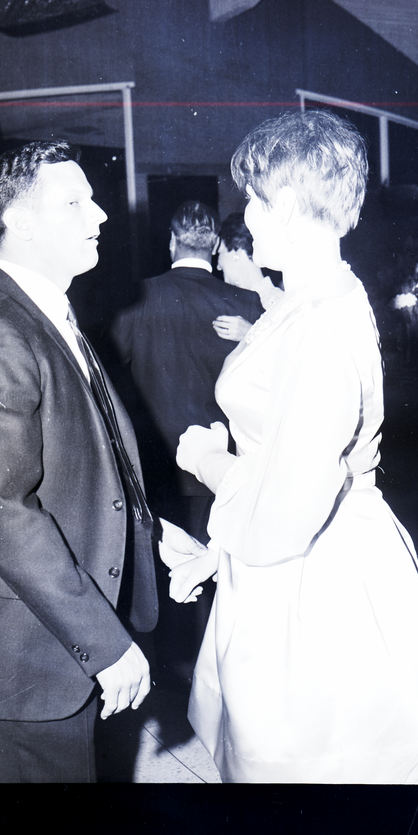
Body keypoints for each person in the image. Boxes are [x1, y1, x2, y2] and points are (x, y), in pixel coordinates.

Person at [0, 141, 208, 783]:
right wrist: (106, 643)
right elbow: (3, 514)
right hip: (15, 669)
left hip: (42, 651)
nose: (100, 215)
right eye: (75, 202)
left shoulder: (44, 317)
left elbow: (77, 471)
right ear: (21, 221)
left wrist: (150, 536)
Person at [169, 110, 418, 783]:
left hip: (312, 576)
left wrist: (204, 459)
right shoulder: (310, 300)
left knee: (300, 767)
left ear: (288, 205)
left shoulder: (317, 322)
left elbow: (290, 505)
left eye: (253, 200)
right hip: (303, 553)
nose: (246, 217)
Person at [109, 201, 263, 682]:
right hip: (226, 466)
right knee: (227, 570)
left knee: (163, 571)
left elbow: (109, 378)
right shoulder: (246, 304)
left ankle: (173, 678)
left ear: (172, 242)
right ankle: (225, 674)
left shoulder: (138, 299)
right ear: (214, 245)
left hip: (157, 465)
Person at [212, 212, 283, 342]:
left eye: (220, 252)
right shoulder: (228, 301)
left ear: (237, 251)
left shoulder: (278, 301)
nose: (218, 266)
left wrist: (249, 333)